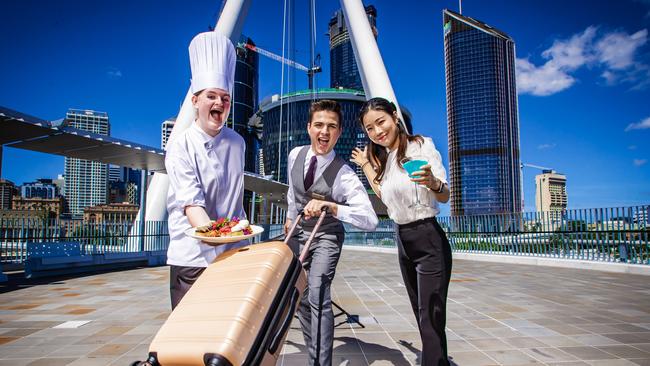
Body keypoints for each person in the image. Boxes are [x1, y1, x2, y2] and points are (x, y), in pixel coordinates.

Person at [350, 97, 452, 366]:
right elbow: (384, 194)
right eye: (370, 128)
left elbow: (444, 195)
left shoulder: (421, 145)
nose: (377, 131)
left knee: (431, 315)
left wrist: (432, 182)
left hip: (427, 236)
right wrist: (366, 165)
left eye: (380, 122)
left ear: (395, 117)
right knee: (422, 314)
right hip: (403, 239)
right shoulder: (387, 159)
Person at [284, 99, 378, 366]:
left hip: (326, 236)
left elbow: (370, 220)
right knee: (299, 295)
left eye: (331, 127)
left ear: (339, 132)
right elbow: (293, 193)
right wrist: (291, 218)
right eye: (319, 125)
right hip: (299, 234)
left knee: (317, 293)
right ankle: (315, 354)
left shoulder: (345, 174)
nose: (324, 132)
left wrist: (333, 208)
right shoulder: (295, 154)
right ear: (309, 128)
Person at [165, 31, 247, 310]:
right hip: (192, 259)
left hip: (232, 255)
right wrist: (216, 236)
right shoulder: (180, 145)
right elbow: (192, 205)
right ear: (195, 101)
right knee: (189, 336)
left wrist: (241, 238)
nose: (219, 104)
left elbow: (236, 202)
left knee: (227, 333)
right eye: (211, 96)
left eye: (225, 98)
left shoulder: (238, 143)